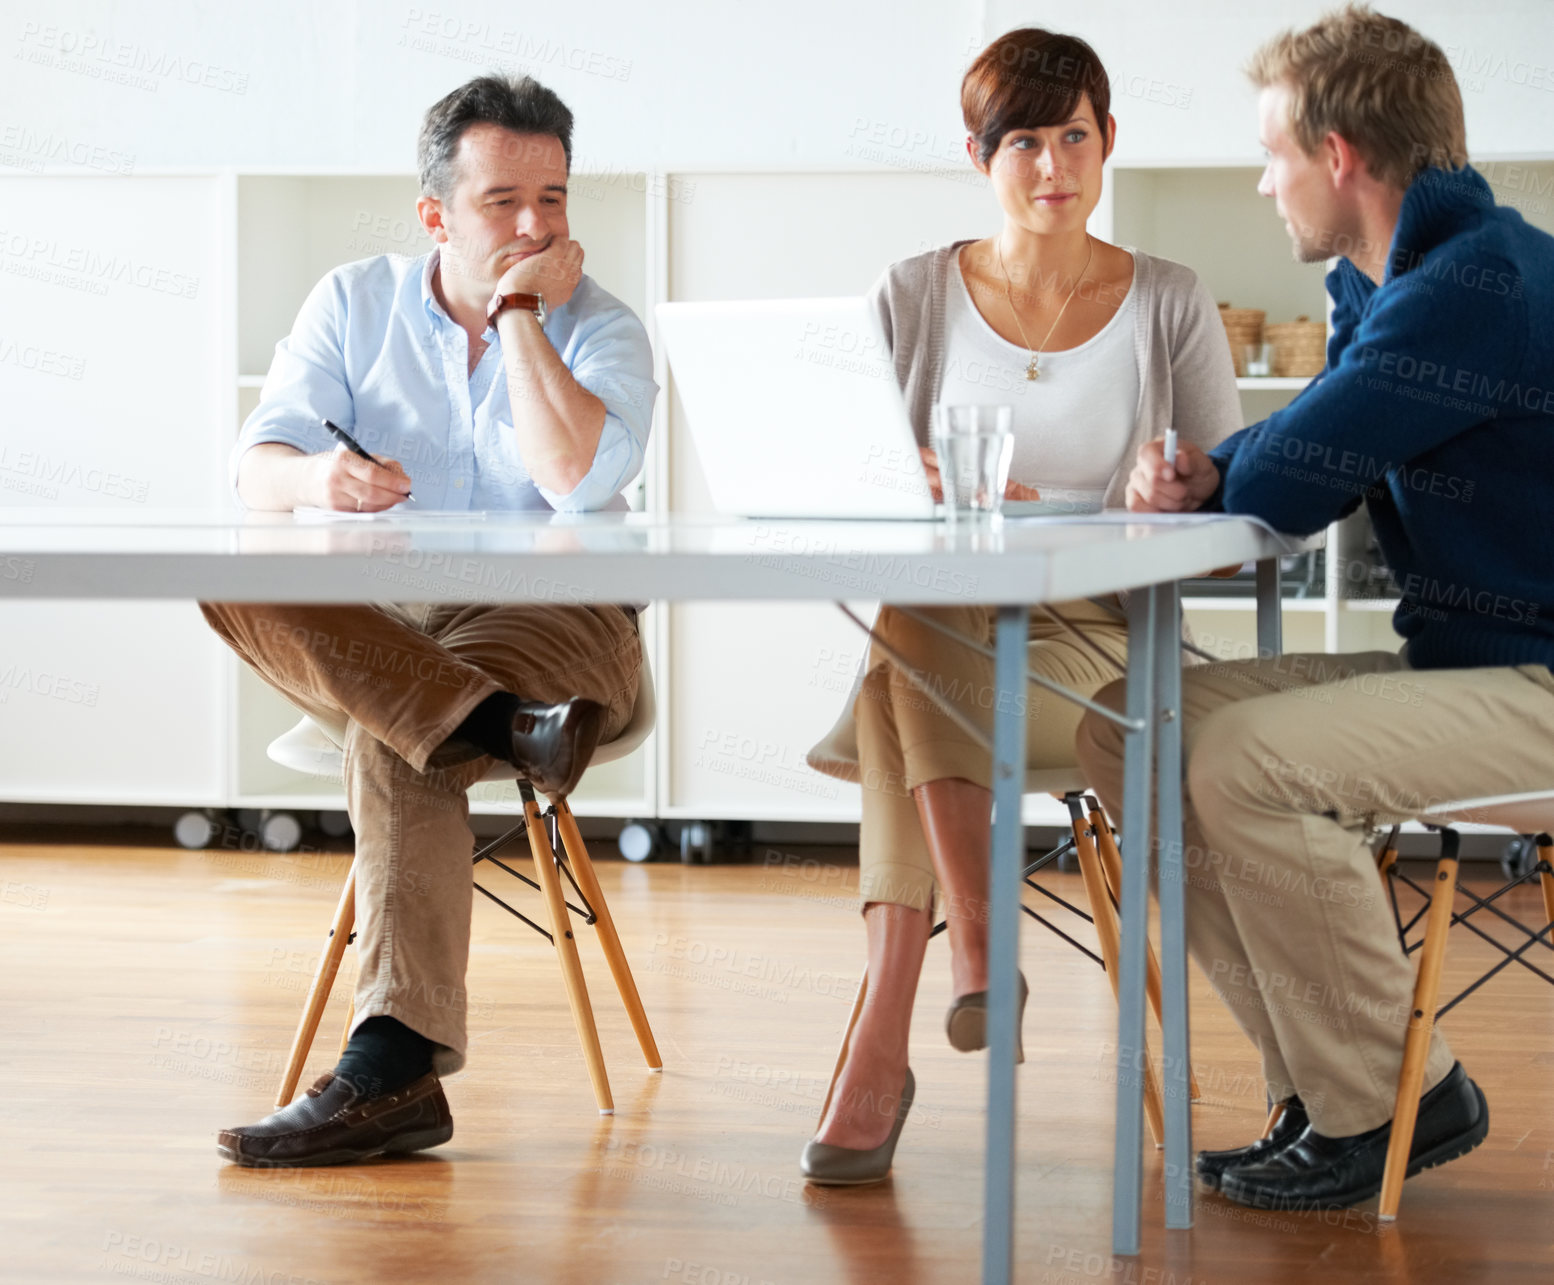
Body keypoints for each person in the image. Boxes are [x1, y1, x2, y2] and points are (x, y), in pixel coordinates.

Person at [1078, 4, 1554, 1211]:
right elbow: (1321, 427)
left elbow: (1294, 479)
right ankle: (1324, 1090)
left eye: (1273, 154)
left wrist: (1224, 467)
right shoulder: (1399, 274)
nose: (1260, 182)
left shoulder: (1476, 285)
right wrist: (1229, 462)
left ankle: (1395, 1097)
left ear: (1338, 156)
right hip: (1474, 666)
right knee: (1130, 720)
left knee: (1236, 759)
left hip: (1536, 686)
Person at [800, 27, 1241, 1184]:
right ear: (977, 155)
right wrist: (908, 490)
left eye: (1075, 137)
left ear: (1109, 144)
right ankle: (970, 950)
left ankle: (894, 1031)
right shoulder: (914, 293)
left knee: (900, 669)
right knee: (917, 623)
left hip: (1106, 643)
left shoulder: (1170, 302)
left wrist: (1169, 494)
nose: (1053, 166)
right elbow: (846, 488)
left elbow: (1233, 514)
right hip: (951, 621)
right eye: (1024, 142)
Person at [200, 74, 657, 1166]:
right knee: (231, 575)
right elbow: (253, 468)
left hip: (559, 615)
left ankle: (391, 1070)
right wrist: (323, 480)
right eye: (503, 201)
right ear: (435, 215)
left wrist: (518, 314)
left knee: (398, 736)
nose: (537, 225)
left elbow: (571, 476)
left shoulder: (606, 331)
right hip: (395, 627)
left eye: (553, 197)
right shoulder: (353, 301)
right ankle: (498, 724)